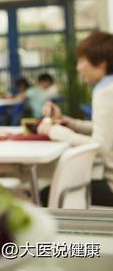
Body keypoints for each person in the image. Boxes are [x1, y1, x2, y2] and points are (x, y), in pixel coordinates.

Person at [38, 31, 113, 206]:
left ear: (101, 63)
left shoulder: (106, 92)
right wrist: (68, 122)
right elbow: (106, 129)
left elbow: (100, 146)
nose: (78, 68)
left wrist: (55, 131)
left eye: (82, 61)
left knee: (45, 194)